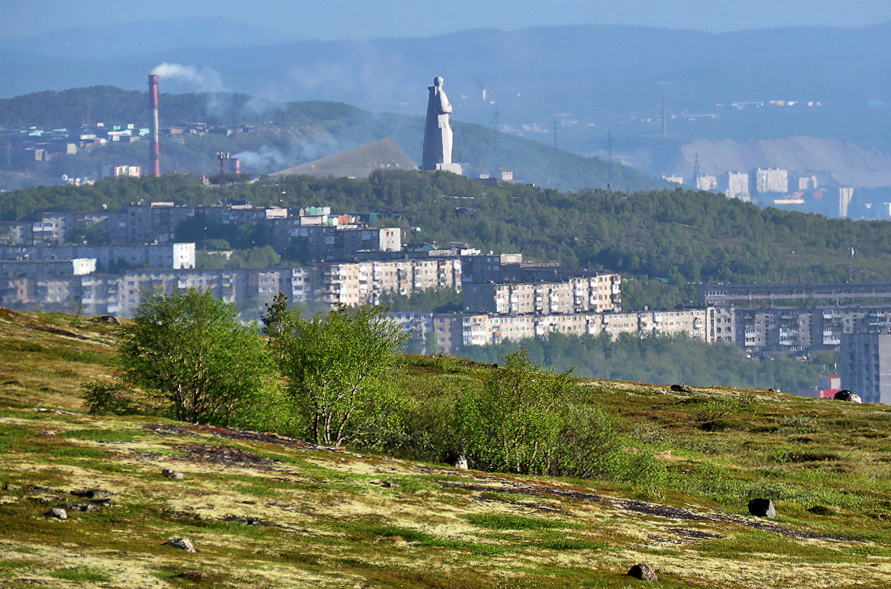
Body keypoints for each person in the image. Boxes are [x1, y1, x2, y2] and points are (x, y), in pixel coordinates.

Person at [422, 76, 454, 170]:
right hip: (442, 124)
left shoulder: (435, 93)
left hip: (441, 123)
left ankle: (445, 161)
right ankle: (445, 162)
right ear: (442, 82)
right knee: (445, 143)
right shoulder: (440, 93)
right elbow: (443, 108)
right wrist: (450, 107)